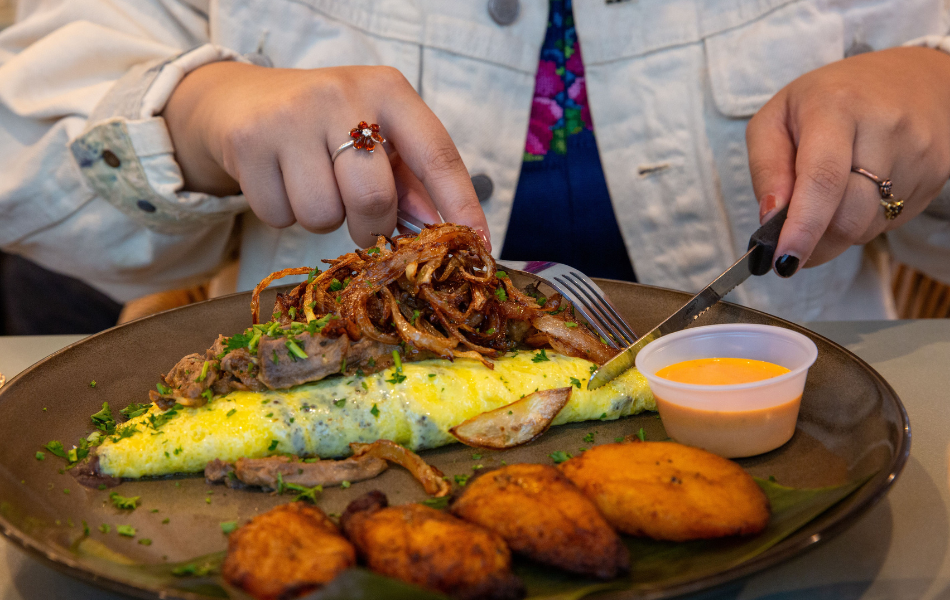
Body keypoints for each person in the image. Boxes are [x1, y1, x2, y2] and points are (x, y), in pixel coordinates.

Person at [1, 0, 949, 330]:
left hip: (800, 439)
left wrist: (939, 88)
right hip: (333, 445)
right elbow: (23, 159)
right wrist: (196, 114)